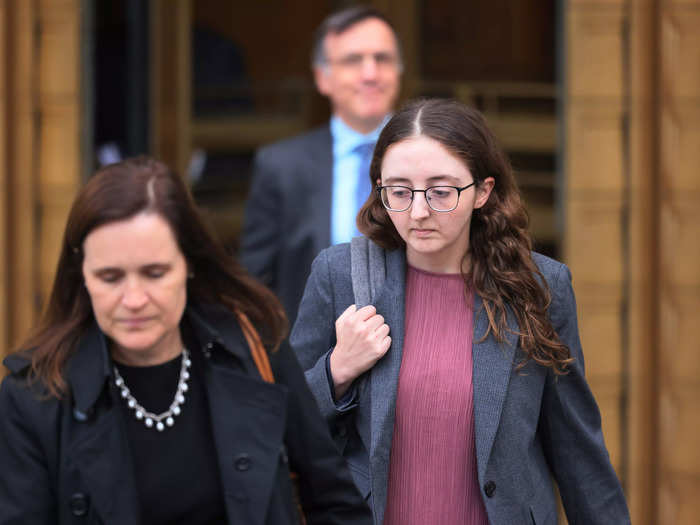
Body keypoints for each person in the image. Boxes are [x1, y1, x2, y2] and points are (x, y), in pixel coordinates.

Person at [290, 99, 631, 525]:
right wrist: (337, 370)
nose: (418, 212)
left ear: (483, 192)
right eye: (398, 191)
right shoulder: (339, 276)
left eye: (441, 192)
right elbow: (281, 421)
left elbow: (577, 450)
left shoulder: (540, 287)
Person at [0, 157, 373, 525]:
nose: (134, 299)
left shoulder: (254, 348)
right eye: (110, 277)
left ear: (189, 265)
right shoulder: (36, 396)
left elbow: (334, 503)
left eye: (154, 273)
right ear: (82, 276)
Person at [240, 5, 402, 324]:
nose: (370, 73)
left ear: (398, 71)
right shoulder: (280, 166)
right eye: (353, 60)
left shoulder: (433, 158)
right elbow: (255, 283)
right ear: (322, 78)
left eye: (382, 59)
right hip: (312, 359)